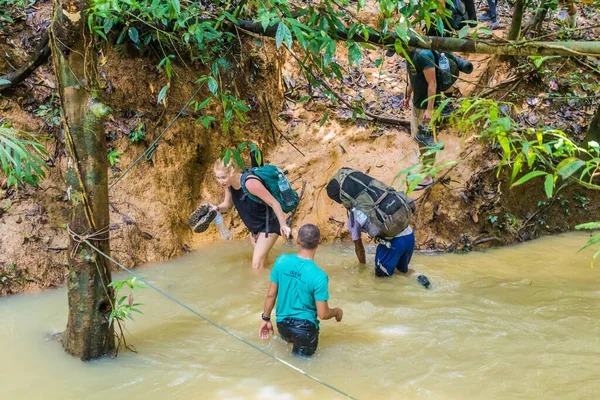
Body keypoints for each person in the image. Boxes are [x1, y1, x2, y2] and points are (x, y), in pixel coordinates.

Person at [259, 224, 343, 356]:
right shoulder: (319, 276)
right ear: (319, 241)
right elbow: (323, 314)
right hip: (305, 329)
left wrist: (266, 319)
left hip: (282, 325)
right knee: (301, 366)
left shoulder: (281, 261)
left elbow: (271, 295)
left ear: (297, 240)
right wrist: (337, 312)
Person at [210, 158, 291, 269]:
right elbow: (228, 205)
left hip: (268, 225)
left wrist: (283, 225)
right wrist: (217, 208)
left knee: (256, 264)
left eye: (223, 177)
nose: (221, 181)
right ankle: (277, 276)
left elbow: (274, 203)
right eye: (218, 178)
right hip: (254, 229)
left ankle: (258, 286)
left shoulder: (250, 183)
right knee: (264, 262)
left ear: (232, 172)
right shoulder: (228, 186)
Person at [400, 49, 440, 191]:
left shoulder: (423, 56)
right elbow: (413, 79)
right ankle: (425, 166)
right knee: (420, 138)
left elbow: (432, 83)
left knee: (427, 141)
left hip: (427, 106)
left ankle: (428, 177)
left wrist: (429, 109)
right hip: (417, 103)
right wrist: (407, 96)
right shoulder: (409, 56)